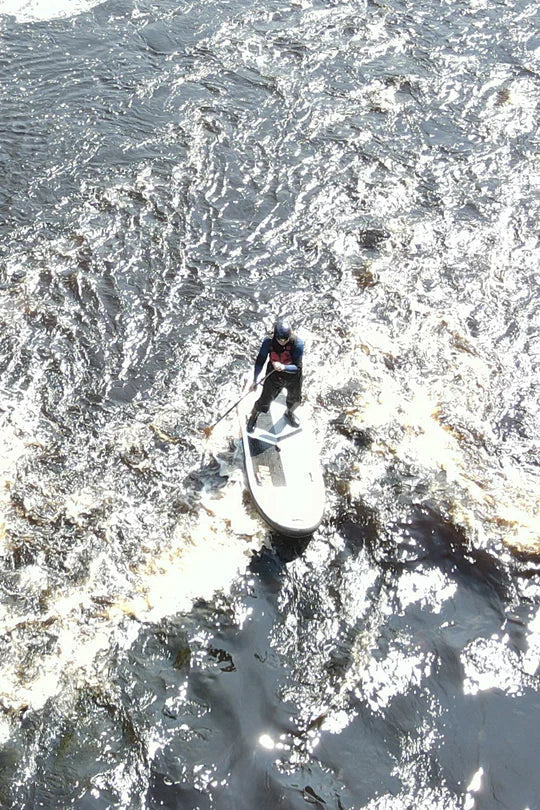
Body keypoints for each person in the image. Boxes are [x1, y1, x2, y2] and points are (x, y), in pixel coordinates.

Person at [247, 319, 304, 432]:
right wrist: (255, 380)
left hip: (292, 375)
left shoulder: (298, 344)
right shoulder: (268, 342)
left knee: (296, 400)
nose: (282, 342)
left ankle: (289, 413)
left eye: (285, 339)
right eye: (279, 339)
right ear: (275, 336)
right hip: (274, 375)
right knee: (264, 400)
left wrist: (284, 367)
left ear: (290, 335)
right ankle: (253, 416)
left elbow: (297, 367)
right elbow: (260, 361)